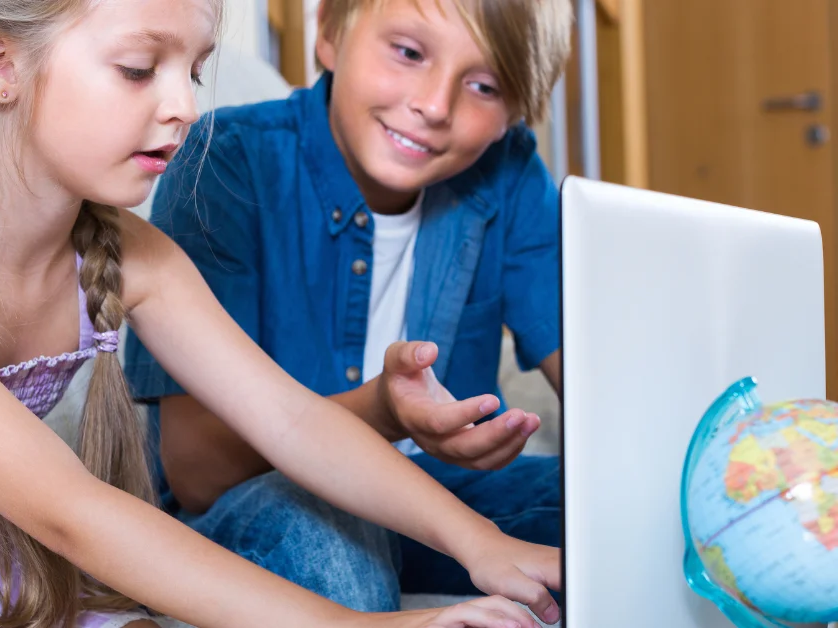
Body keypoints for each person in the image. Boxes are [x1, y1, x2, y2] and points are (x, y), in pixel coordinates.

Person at [0, 0, 559, 626]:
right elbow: (74, 511)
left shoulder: (134, 255)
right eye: (137, 68)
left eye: (193, 69)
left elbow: (290, 421)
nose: (184, 106)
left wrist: (480, 546)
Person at [124, 0, 572, 614]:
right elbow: (198, 474)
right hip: (249, 508)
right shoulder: (225, 161)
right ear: (330, 33)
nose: (435, 105)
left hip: (442, 501)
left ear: (513, 114)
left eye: (484, 86)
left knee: (624, 511)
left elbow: (587, 374)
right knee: (325, 531)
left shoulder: (509, 172)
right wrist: (384, 411)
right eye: (409, 53)